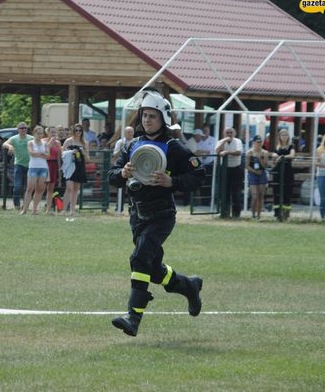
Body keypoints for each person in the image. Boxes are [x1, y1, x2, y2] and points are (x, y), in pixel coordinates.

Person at [108, 89, 205, 337]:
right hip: (136, 215)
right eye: (144, 115)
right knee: (152, 268)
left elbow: (199, 175)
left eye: (152, 116)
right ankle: (188, 286)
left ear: (163, 118)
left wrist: (172, 182)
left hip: (161, 215)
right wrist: (123, 173)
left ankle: (133, 317)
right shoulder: (132, 145)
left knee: (139, 257)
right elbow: (112, 177)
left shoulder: (174, 148)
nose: (147, 120)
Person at [2, 122, 33, 210]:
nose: (23, 130)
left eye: (25, 128)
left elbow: (40, 143)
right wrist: (10, 147)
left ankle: (25, 205)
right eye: (21, 128)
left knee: (28, 187)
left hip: (30, 165)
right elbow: (4, 144)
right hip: (19, 164)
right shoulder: (14, 138)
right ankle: (16, 205)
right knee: (17, 186)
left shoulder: (31, 138)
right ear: (18, 130)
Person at [62, 123, 90, 217]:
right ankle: (64, 209)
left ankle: (72, 210)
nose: (78, 132)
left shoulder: (85, 142)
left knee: (76, 189)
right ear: (73, 131)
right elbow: (62, 154)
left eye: (80, 130)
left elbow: (88, 159)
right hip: (70, 166)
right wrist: (70, 152)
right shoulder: (68, 141)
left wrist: (84, 152)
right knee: (69, 188)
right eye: (76, 130)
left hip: (80, 166)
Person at [20, 125, 49, 215]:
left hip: (43, 168)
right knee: (30, 189)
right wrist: (42, 153)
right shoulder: (31, 143)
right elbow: (32, 153)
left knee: (40, 189)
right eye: (38, 133)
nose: (40, 135)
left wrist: (40, 154)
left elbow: (48, 155)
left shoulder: (45, 143)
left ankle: (35, 209)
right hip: (33, 167)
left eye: (41, 133)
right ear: (34, 133)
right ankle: (25, 209)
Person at [215, 127, 243, 218]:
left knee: (236, 193)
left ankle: (236, 214)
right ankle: (225, 212)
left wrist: (227, 152)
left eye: (231, 132)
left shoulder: (238, 141)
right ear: (224, 133)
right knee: (224, 192)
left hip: (236, 169)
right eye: (227, 132)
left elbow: (239, 152)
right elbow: (217, 151)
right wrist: (224, 142)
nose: (229, 134)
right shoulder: (220, 141)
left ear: (234, 133)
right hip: (224, 169)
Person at [271, 129, 295, 221]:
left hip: (287, 172)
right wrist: (274, 156)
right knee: (276, 193)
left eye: (286, 135)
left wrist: (282, 157)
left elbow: (292, 155)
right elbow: (273, 156)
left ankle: (286, 214)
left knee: (287, 193)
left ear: (288, 136)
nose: (284, 136)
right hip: (278, 172)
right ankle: (277, 214)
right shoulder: (277, 147)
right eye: (282, 135)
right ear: (279, 136)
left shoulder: (291, 146)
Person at [245, 135, 269, 219]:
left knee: (260, 195)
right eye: (257, 142)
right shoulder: (249, 152)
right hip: (252, 174)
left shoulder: (264, 152)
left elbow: (265, 165)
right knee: (254, 196)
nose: (259, 144)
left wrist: (260, 159)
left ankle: (259, 215)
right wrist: (255, 171)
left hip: (262, 174)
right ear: (253, 143)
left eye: (260, 142)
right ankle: (253, 214)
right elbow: (247, 166)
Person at [43, 126, 61, 214]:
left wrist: (59, 169)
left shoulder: (58, 143)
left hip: (54, 165)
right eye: (52, 132)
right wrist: (50, 142)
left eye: (55, 132)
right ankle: (35, 207)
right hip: (45, 164)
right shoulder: (44, 141)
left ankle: (48, 209)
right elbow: (45, 151)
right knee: (41, 187)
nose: (53, 134)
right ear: (48, 133)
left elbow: (59, 157)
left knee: (51, 188)